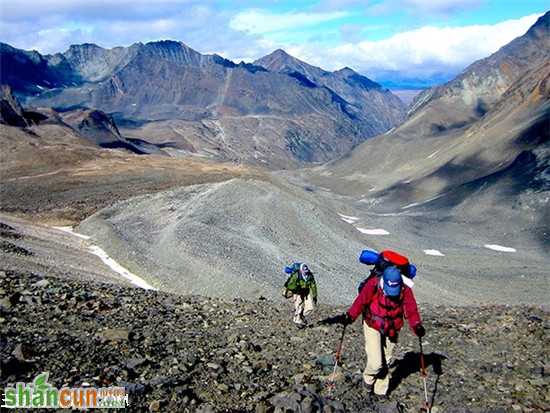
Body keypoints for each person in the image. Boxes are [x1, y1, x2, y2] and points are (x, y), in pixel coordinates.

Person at [324, 266, 425, 398]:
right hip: (372, 324)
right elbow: (361, 301)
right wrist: (350, 316)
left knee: (387, 360)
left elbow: (411, 309)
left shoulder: (405, 288)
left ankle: (380, 390)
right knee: (376, 362)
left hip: (392, 327)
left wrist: (416, 325)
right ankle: (368, 379)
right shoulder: (374, 284)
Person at [283, 263, 318, 328]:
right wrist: (295, 289)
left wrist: (314, 295)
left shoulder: (310, 276)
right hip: (298, 292)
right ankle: (297, 321)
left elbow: (313, 285)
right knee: (299, 306)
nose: (306, 273)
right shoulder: (296, 275)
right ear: (301, 271)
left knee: (310, 308)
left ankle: (302, 316)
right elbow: (291, 285)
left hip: (306, 292)